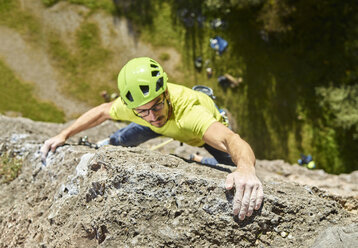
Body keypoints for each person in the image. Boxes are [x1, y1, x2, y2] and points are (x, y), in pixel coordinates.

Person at [41, 57, 263, 221]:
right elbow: (102, 111)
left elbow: (231, 139)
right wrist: (64, 134)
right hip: (170, 126)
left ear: (166, 94)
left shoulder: (190, 113)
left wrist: (245, 169)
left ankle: (199, 160)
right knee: (121, 140)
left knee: (230, 166)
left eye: (156, 105)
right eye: (143, 111)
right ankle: (109, 143)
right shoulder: (141, 110)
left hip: (195, 134)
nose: (152, 116)